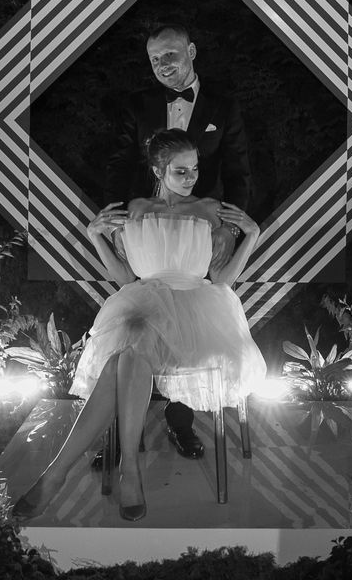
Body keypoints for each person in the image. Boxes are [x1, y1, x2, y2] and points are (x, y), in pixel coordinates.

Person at [13, 129, 265, 521]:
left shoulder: (210, 210)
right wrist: (94, 236)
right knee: (131, 346)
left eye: (195, 169)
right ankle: (127, 470)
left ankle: (61, 472)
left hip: (197, 316)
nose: (191, 178)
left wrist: (252, 235)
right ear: (158, 170)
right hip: (142, 302)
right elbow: (125, 279)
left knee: (126, 353)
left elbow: (222, 279)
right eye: (180, 171)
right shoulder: (136, 209)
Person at [103, 22, 252, 459]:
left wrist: (229, 228)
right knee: (134, 324)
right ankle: (123, 433)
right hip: (148, 231)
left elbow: (239, 171)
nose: (163, 64)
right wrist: (117, 225)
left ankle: (179, 422)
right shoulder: (138, 105)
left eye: (170, 54)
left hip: (200, 232)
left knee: (189, 323)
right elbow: (118, 164)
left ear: (191, 51)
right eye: (155, 59)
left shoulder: (224, 105)